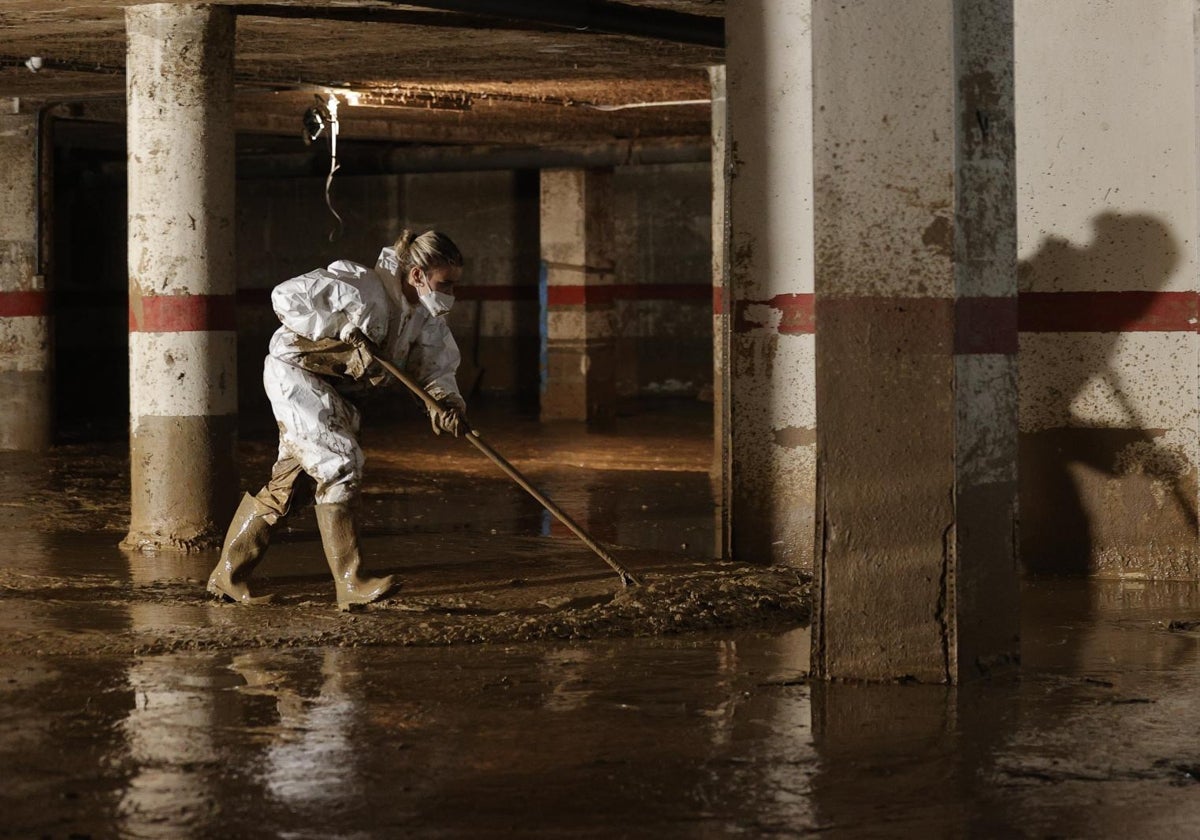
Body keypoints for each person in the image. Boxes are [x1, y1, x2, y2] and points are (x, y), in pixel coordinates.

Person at [206, 229, 466, 609]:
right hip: (297, 375)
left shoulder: (424, 318)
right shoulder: (361, 286)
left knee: (289, 488)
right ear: (417, 275)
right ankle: (352, 582)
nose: (450, 294)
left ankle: (227, 577)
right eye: (445, 283)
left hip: (333, 393)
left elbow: (436, 366)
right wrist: (340, 328)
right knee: (339, 463)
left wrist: (445, 402)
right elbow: (285, 297)